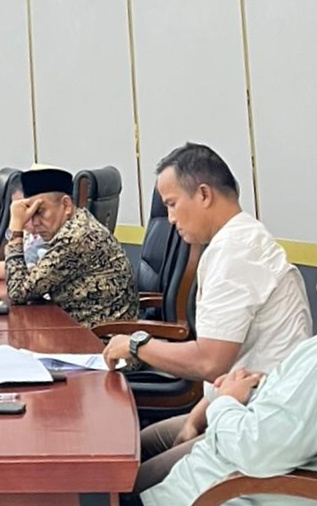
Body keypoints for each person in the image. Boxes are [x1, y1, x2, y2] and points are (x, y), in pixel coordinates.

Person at [102, 143, 312, 495]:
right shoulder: (238, 240)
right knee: (138, 446)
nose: (170, 219)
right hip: (238, 405)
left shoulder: (235, 252)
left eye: (172, 204)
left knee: (120, 487)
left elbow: (210, 362)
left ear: (203, 194)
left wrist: (137, 346)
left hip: (255, 425)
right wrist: (198, 417)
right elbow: (231, 370)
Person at [141, 336, 317, 506]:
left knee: (129, 464)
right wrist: (258, 386)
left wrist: (226, 399)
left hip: (205, 495)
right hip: (203, 484)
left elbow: (256, 450)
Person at [5, 167, 138, 327]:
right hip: (83, 327)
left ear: (66, 205)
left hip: (101, 336)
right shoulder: (79, 223)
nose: (34, 223)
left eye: (40, 212)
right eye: (30, 215)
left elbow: (17, 292)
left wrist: (15, 228)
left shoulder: (76, 238)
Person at [0, 172, 47, 280]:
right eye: (17, 209)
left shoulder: (52, 238)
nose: (22, 216)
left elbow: (20, 281)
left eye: (28, 208)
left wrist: (16, 231)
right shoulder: (28, 234)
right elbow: (10, 267)